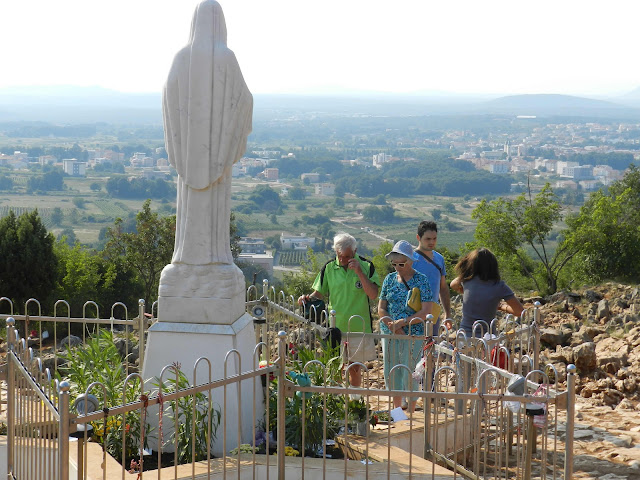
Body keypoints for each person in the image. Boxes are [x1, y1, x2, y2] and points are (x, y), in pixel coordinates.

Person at [297, 233, 380, 388]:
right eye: (340, 256)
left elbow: (373, 294)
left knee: (355, 368)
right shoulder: (328, 268)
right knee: (335, 368)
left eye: (347, 257)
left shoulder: (367, 266)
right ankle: (338, 404)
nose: (343, 260)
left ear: (355, 252)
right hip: (335, 328)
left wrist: (359, 273)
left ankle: (354, 402)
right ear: (335, 251)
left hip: (358, 327)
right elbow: (319, 294)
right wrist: (305, 298)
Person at [378, 240, 433, 413]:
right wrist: (392, 325)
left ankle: (411, 410)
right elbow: (381, 307)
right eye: (394, 264)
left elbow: (426, 311)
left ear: (410, 261)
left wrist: (402, 323)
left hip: (413, 333)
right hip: (391, 332)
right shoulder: (389, 279)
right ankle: (397, 411)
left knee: (412, 370)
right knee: (392, 368)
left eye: (401, 264)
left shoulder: (421, 280)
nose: (397, 267)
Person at [450, 248, 524, 337]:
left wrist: (465, 277)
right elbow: (519, 312)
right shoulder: (499, 286)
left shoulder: (466, 281)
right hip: (487, 338)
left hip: (464, 336)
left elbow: (452, 284)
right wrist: (502, 307)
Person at [412, 221, 452, 333]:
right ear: (418, 238)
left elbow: (443, 288)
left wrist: (447, 314)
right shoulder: (410, 259)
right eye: (428, 239)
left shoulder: (439, 259)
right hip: (413, 314)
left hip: (432, 314)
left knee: (430, 347)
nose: (432, 242)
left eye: (434, 239)